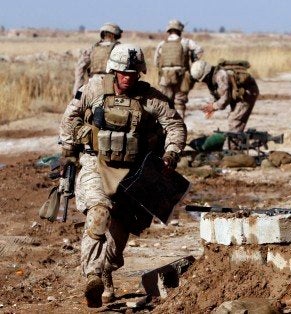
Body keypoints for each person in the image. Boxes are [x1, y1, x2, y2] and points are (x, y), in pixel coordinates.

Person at [59, 43, 186, 307]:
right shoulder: (94, 88)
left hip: (132, 175)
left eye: (133, 72)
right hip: (96, 163)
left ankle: (105, 274)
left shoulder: (151, 98)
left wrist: (171, 154)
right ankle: (92, 276)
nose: (127, 77)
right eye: (123, 72)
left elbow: (175, 125)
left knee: (117, 242)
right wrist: (72, 147)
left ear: (139, 73)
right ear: (113, 71)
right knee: (99, 213)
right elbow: (69, 119)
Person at [190, 60, 259, 133]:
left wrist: (213, 106)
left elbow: (225, 99)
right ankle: (238, 141)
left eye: (204, 79)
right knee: (234, 120)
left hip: (247, 94)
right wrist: (213, 106)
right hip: (238, 96)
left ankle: (234, 142)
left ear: (206, 74)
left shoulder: (220, 76)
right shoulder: (212, 77)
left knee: (235, 120)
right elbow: (218, 94)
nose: (204, 81)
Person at [154, 19, 204, 119]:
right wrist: (194, 61)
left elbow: (156, 62)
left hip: (165, 77)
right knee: (179, 102)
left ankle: (166, 130)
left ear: (169, 30)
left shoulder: (161, 44)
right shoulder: (186, 42)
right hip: (182, 76)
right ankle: (179, 129)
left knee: (165, 103)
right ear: (180, 30)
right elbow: (199, 50)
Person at [73, 22, 122, 95]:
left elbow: (80, 68)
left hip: (92, 84)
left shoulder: (92, 49)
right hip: (111, 87)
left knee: (76, 103)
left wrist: (77, 90)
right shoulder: (120, 49)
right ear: (116, 34)